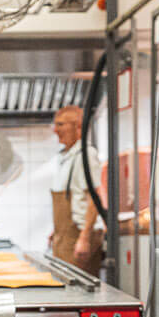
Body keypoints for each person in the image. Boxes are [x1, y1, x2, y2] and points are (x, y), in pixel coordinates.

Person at [48, 105, 104, 276]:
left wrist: (84, 238)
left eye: (61, 125)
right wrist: (56, 231)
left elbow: (93, 199)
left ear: (78, 127)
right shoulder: (67, 157)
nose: (55, 130)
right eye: (55, 125)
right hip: (65, 236)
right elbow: (74, 200)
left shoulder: (86, 155)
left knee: (77, 291)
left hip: (78, 236)